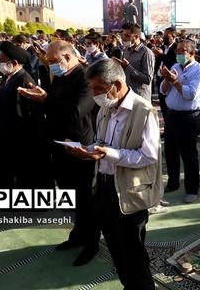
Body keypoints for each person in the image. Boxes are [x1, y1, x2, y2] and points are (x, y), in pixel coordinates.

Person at [66, 59, 162, 290]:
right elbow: (102, 143)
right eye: (92, 88)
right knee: (116, 249)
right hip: (104, 188)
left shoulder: (144, 111)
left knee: (133, 255)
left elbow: (149, 156)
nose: (94, 94)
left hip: (130, 194)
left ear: (117, 85)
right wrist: (85, 151)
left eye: (99, 88)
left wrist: (109, 153)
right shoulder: (106, 109)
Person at [17, 40, 100, 266]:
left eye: (54, 61)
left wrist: (46, 99)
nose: (51, 65)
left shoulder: (85, 77)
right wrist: (41, 98)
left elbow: (76, 112)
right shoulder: (61, 76)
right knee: (69, 195)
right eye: (50, 61)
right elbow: (53, 108)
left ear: (69, 57)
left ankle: (91, 243)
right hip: (58, 145)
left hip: (79, 147)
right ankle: (78, 234)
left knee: (85, 198)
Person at [0, 42, 51, 189]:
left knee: (24, 173)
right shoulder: (9, 77)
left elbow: (15, 108)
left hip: (19, 136)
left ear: (15, 63)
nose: (0, 64)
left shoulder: (24, 80)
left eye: (2, 61)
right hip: (5, 132)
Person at [160, 39, 200, 203]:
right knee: (170, 152)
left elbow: (190, 94)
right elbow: (163, 90)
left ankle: (192, 188)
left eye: (182, 51)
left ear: (192, 53)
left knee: (188, 154)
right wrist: (167, 78)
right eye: (177, 51)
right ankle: (173, 183)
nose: (178, 54)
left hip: (189, 116)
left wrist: (175, 80)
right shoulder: (174, 67)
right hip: (172, 114)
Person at [113, 23, 154, 101]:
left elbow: (148, 79)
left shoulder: (146, 53)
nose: (123, 38)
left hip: (140, 99)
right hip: (126, 97)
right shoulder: (125, 51)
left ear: (136, 36)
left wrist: (128, 67)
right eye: (123, 35)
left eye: (127, 36)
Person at [152, 27, 178, 118]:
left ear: (173, 36)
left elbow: (175, 64)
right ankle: (167, 130)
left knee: (169, 107)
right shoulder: (162, 47)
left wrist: (162, 55)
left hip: (170, 81)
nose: (164, 38)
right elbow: (158, 62)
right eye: (164, 36)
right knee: (163, 106)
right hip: (160, 80)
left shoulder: (177, 48)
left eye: (167, 36)